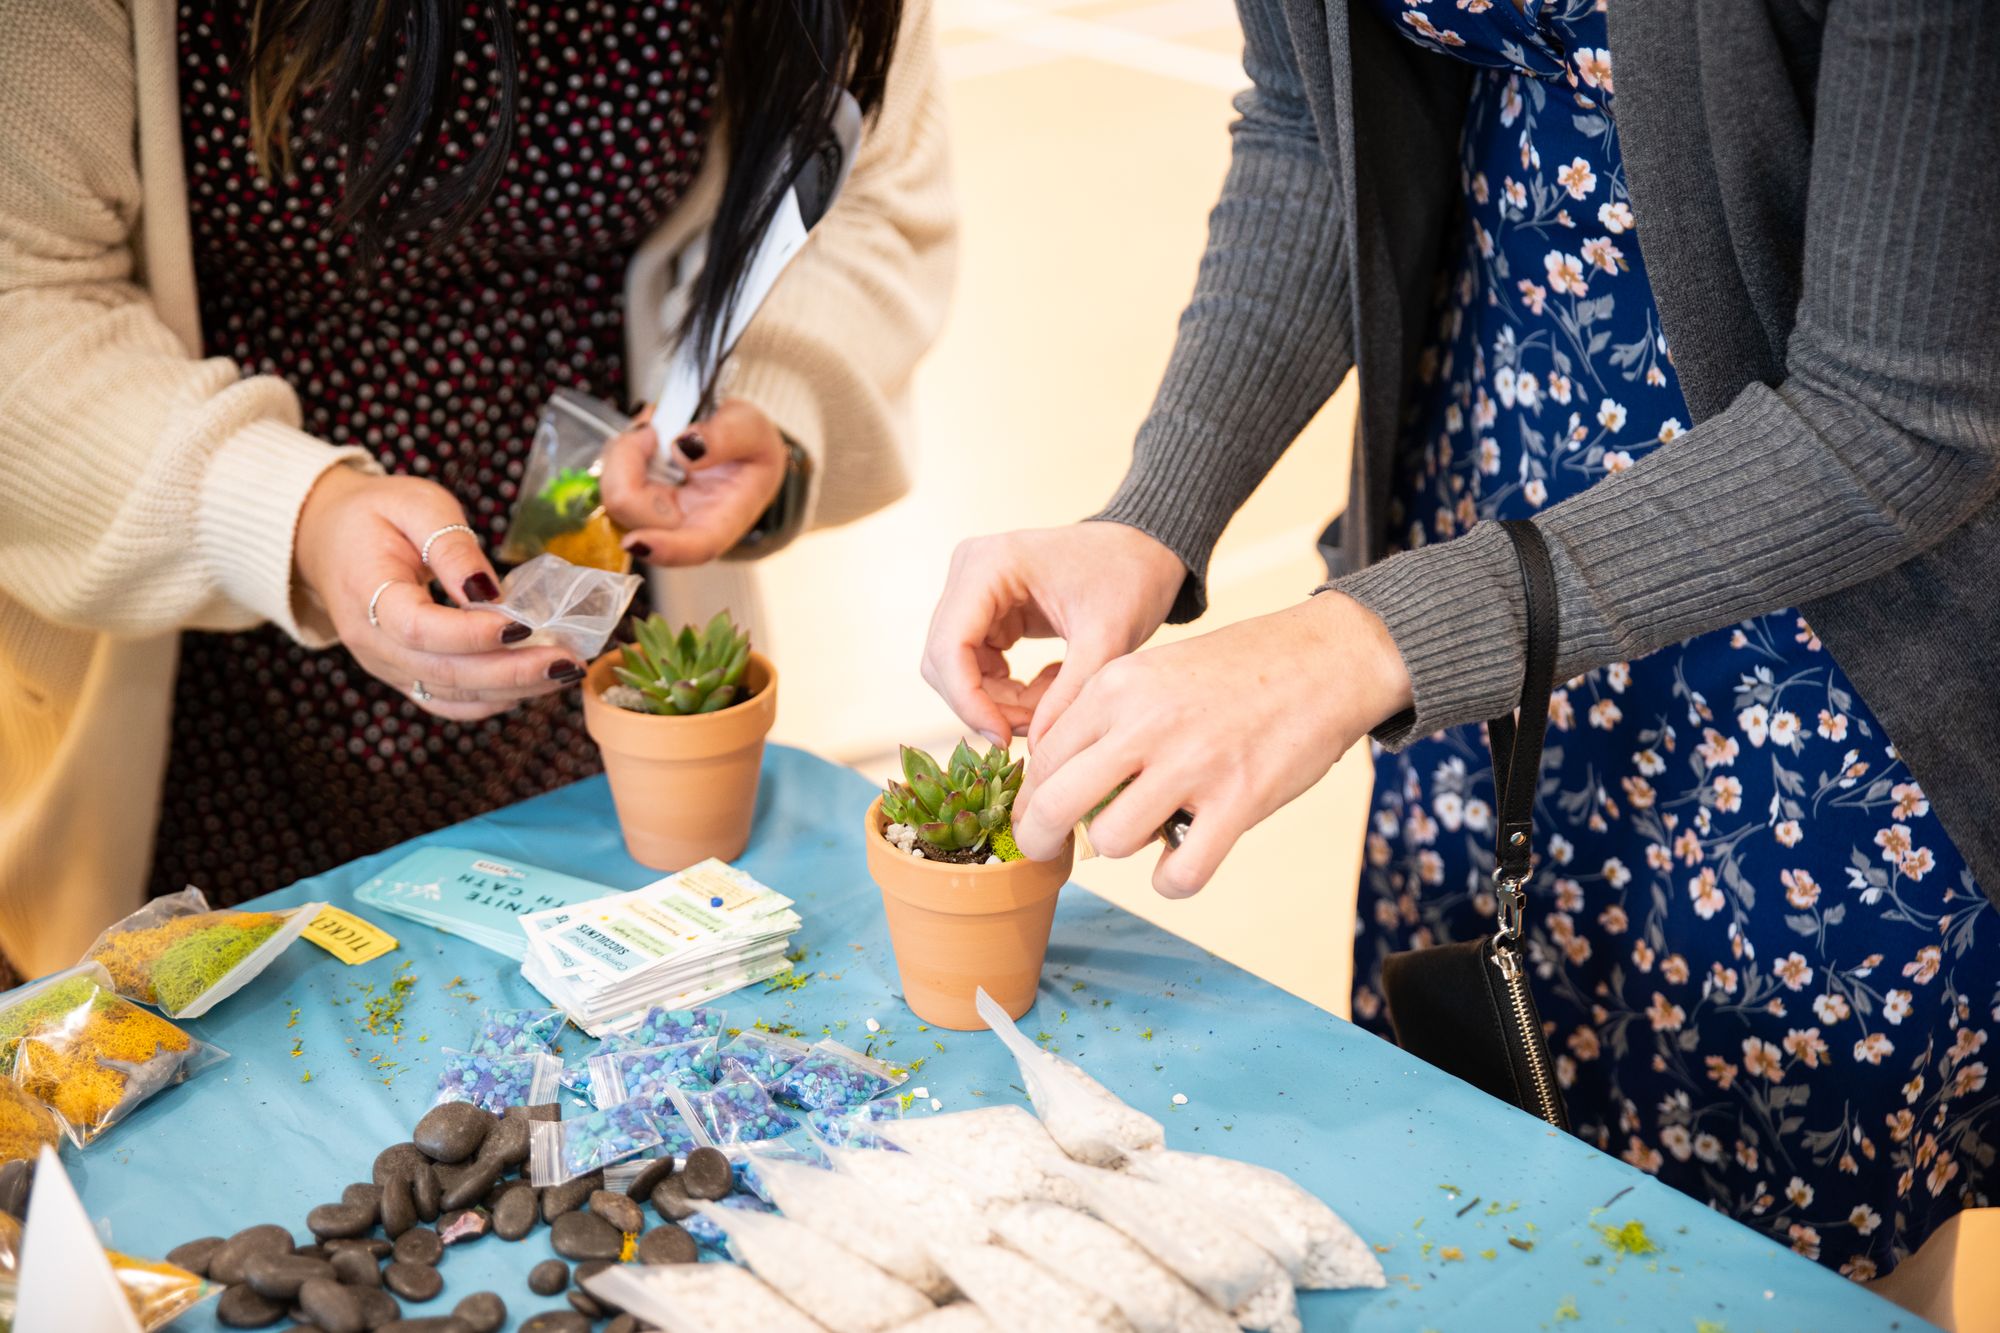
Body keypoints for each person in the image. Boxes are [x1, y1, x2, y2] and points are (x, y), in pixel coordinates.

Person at [923, 0, 1996, 1280]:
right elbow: (1310, 136)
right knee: (1495, 1156)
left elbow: (1902, 416)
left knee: (1795, 1243)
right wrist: (1154, 513)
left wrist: (1362, 644)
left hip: (1829, 615)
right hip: (1477, 533)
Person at [0, 0, 954, 974]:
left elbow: (868, 193)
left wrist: (758, 397)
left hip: (600, 653)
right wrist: (294, 514)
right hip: (208, 656)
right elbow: (19, 297)